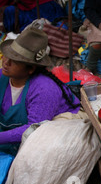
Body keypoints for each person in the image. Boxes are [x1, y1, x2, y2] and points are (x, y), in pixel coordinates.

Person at [0, 28, 80, 156]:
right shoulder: (2, 77)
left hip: (48, 136)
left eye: (14, 61)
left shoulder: (44, 89)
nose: (5, 62)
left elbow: (34, 129)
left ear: (31, 68)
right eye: (6, 56)